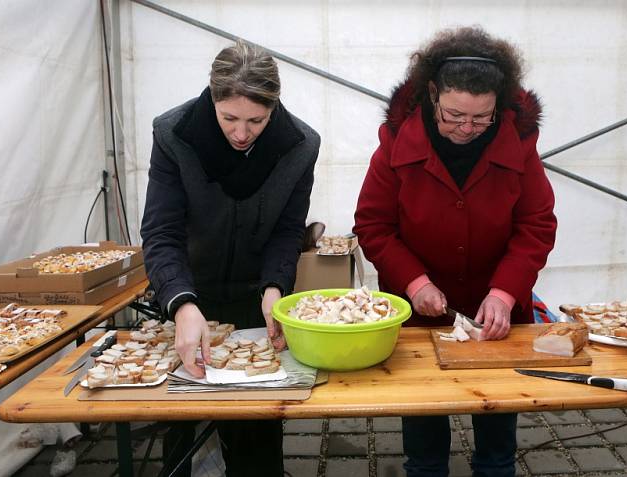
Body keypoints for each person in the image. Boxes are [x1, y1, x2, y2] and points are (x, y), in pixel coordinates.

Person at [354, 26, 556, 476]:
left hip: (498, 314)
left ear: (499, 106)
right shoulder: (395, 145)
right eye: (453, 115)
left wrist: (505, 292)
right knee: (425, 443)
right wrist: (414, 281)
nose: (466, 128)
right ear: (432, 93)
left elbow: (536, 225)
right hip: (422, 312)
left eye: (481, 118)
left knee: (498, 445)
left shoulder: (519, 146)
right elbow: (373, 225)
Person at [140, 40, 320, 476]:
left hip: (254, 299)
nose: (242, 133)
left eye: (256, 121)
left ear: (273, 108)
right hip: (188, 295)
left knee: (256, 435)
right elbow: (161, 230)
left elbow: (286, 231)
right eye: (229, 119)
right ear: (213, 99)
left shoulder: (300, 145)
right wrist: (180, 304)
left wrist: (274, 289)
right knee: (186, 431)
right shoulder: (173, 134)